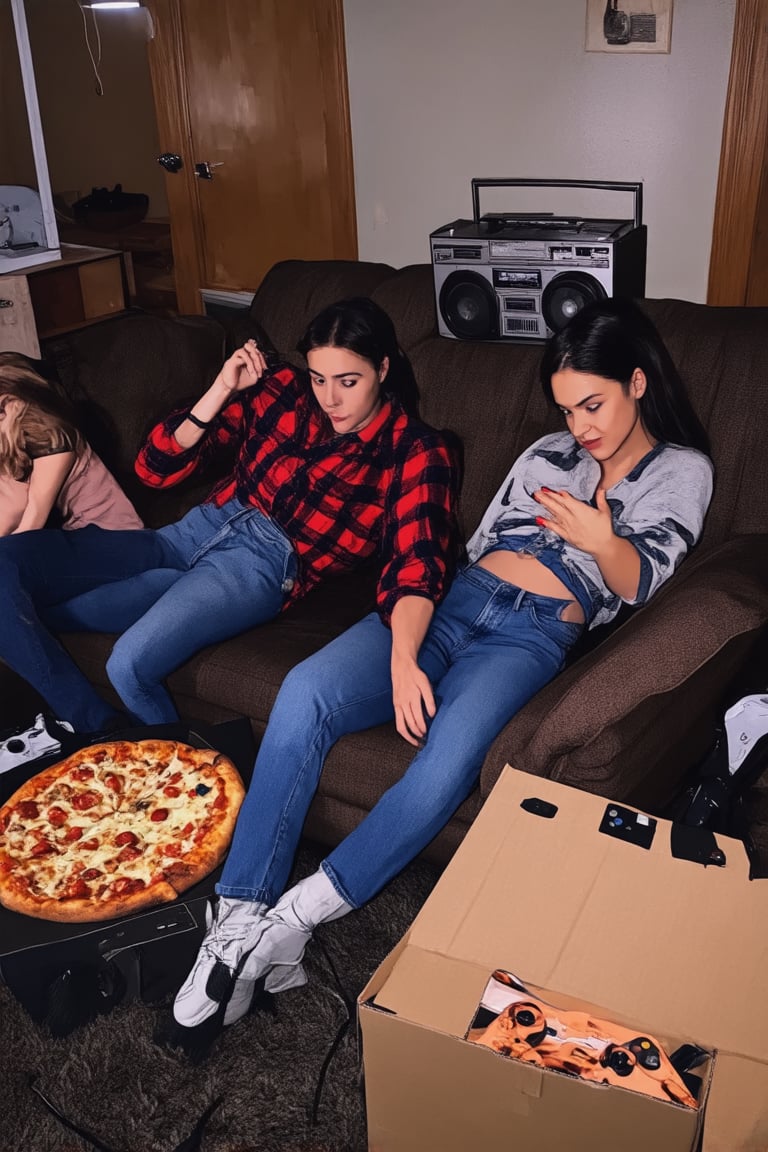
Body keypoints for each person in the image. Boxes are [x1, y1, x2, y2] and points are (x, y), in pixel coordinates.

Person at [171, 296, 714, 1034]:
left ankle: (295, 919)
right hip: (458, 600)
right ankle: (238, 917)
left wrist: (597, 536)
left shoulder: (682, 470)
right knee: (306, 691)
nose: (580, 429)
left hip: (532, 635)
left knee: (446, 760)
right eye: (566, 411)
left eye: (593, 405)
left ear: (640, 382)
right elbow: (468, 545)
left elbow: (640, 582)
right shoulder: (544, 456)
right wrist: (409, 640)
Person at [0, 299, 460, 733]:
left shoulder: (413, 449)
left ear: (382, 368)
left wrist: (403, 657)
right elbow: (153, 468)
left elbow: (416, 562)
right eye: (319, 378)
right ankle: (98, 713)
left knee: (128, 664)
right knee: (13, 575)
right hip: (187, 533)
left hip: (260, 564)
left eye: (348, 381)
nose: (330, 399)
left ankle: (167, 775)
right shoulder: (281, 389)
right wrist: (221, 388)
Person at [0, 352, 142, 535]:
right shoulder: (18, 437)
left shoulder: (55, 440)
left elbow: (31, 522)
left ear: (12, 402)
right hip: (75, 534)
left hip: (114, 534)